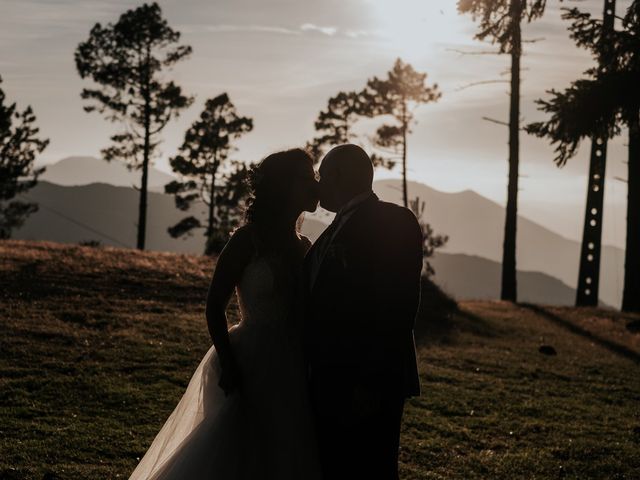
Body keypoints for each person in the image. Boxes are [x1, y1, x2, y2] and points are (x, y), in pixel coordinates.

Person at [128, 148, 322, 480]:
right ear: (284, 187)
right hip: (251, 359)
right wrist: (230, 362)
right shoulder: (248, 240)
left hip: (295, 364)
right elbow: (214, 305)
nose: (315, 185)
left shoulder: (306, 245)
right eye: (307, 178)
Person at [304, 144, 424, 480]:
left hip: (365, 380)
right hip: (330, 376)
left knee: (370, 468)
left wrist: (370, 382)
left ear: (339, 175)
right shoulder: (333, 227)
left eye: (322, 175)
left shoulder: (394, 221)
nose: (317, 183)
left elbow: (398, 306)